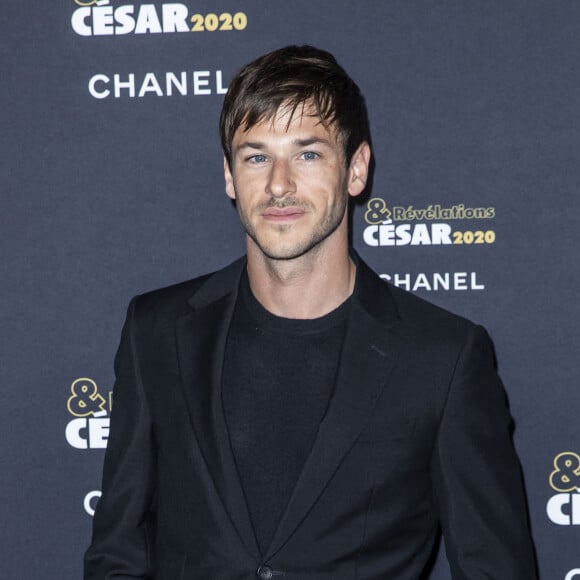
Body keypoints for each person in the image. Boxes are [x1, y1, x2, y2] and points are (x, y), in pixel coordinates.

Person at [84, 45, 537, 579]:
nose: (279, 184)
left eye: (307, 154)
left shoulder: (443, 358)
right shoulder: (155, 331)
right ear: (230, 177)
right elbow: (117, 552)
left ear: (356, 169)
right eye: (256, 156)